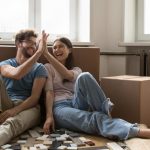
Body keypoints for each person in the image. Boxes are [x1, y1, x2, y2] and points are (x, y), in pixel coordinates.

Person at [43, 37, 150, 140]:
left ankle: (105, 112)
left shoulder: (76, 69)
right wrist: (49, 116)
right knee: (94, 118)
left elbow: (68, 75)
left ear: (69, 49)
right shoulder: (48, 67)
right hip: (61, 107)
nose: (57, 50)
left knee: (85, 76)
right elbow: (49, 92)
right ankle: (136, 131)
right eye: (54, 47)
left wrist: (46, 54)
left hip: (76, 102)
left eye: (60, 46)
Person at [0, 29, 48, 146]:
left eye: (35, 43)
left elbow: (35, 97)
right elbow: (17, 74)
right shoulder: (5, 64)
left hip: (28, 107)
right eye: (30, 42)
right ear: (19, 43)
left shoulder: (40, 68)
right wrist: (38, 53)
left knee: (11, 124)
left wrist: (14, 111)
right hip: (5, 103)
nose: (34, 46)